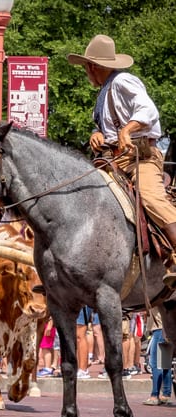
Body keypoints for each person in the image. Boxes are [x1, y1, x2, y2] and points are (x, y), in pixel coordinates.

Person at [68, 35, 176, 285]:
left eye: (86, 68)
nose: (86, 73)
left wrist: (126, 131)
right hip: (113, 161)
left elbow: (147, 111)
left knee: (150, 196)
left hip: (140, 157)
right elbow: (105, 129)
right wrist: (96, 135)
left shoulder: (122, 81)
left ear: (93, 66)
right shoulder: (103, 94)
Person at [143, 305, 173, 405]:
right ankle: (166, 394)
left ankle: (154, 395)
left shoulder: (156, 294)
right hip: (166, 329)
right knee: (165, 364)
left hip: (159, 329)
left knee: (156, 364)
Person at [76, 306, 93, 379]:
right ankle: (79, 368)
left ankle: (83, 370)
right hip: (70, 300)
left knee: (80, 334)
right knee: (75, 335)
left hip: (81, 302)